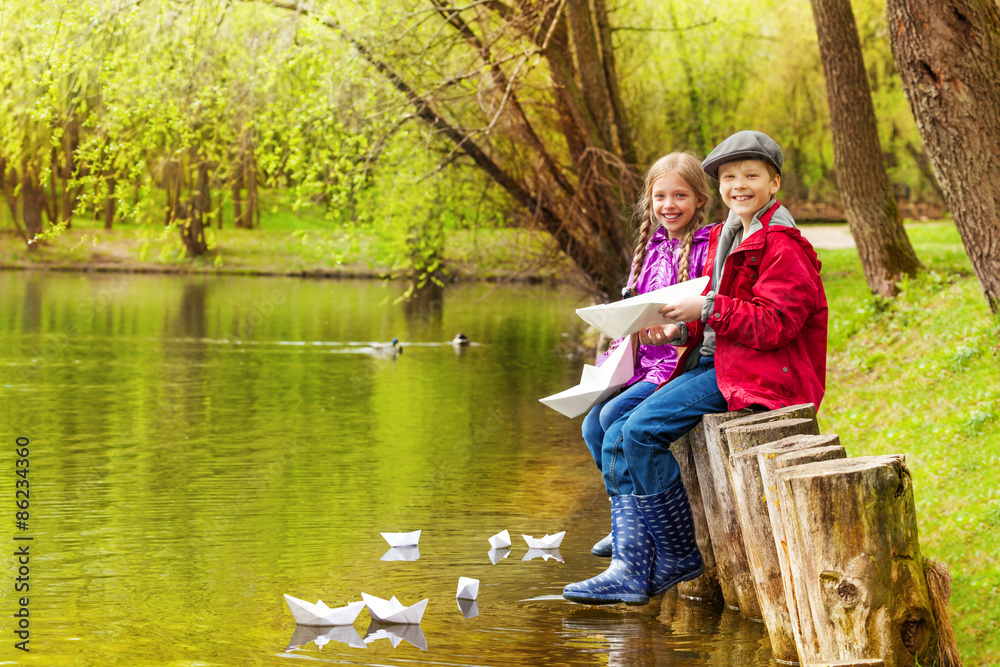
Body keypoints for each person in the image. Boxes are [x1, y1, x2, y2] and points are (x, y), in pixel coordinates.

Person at [563, 130, 828, 606]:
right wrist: (682, 329)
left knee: (638, 431)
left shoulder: (783, 245)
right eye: (730, 177)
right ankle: (641, 556)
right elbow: (723, 320)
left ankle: (675, 554)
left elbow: (776, 327)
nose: (739, 185)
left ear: (774, 182)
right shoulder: (739, 233)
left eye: (751, 176)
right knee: (615, 426)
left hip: (762, 375)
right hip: (726, 359)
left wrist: (704, 306)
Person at [581, 152, 715, 558]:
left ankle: (641, 532)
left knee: (612, 421)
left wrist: (675, 332)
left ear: (700, 200)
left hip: (676, 365)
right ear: (649, 201)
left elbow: (704, 315)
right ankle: (627, 519)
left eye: (680, 195)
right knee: (592, 425)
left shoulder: (708, 246)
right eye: (660, 196)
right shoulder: (652, 248)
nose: (669, 205)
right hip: (644, 364)